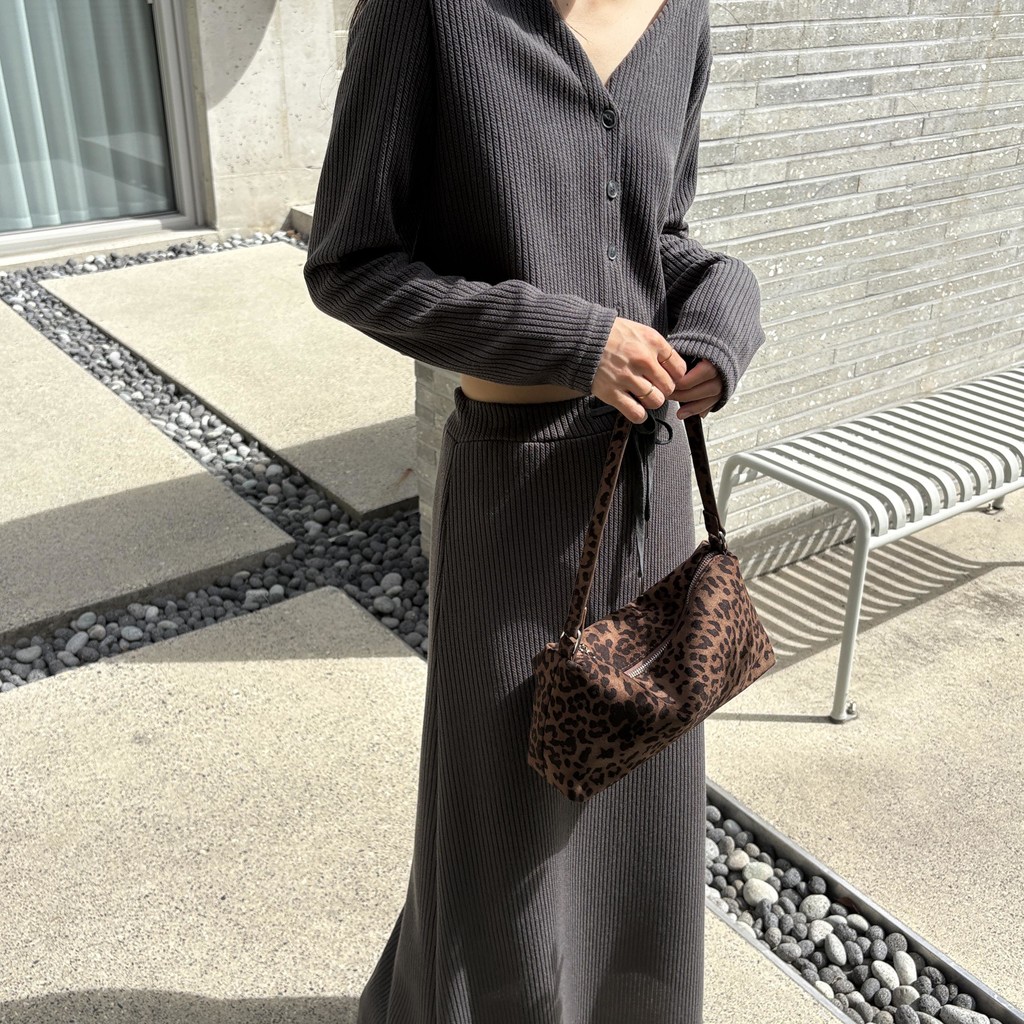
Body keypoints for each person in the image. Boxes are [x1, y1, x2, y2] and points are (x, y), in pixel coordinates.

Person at [304, 0, 766, 1020]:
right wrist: (571, 340)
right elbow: (350, 266)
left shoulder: (678, 15)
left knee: (639, 790)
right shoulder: (429, 15)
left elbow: (661, 237)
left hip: (651, 486)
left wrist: (723, 315)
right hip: (514, 491)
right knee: (501, 818)